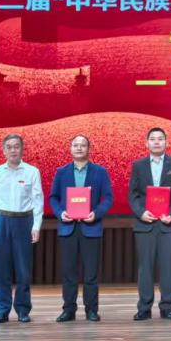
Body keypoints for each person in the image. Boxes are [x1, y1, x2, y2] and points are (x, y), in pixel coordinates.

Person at [49, 134, 114, 322]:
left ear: (88, 149)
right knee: (69, 272)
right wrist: (60, 213)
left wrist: (96, 213)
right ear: (70, 149)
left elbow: (108, 197)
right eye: (75, 145)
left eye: (83, 145)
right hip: (68, 227)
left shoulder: (100, 172)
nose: (79, 148)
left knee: (91, 273)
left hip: (91, 227)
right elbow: (53, 197)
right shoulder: (61, 172)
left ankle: (91, 310)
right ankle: (68, 310)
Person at [0, 133, 44, 324]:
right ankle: (2, 310)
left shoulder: (32, 172)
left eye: (16, 146)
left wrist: (36, 226)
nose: (13, 150)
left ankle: (23, 310)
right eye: (9, 147)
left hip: (24, 221)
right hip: (1, 221)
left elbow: (38, 201)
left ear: (22, 149)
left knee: (23, 269)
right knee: (1, 270)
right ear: (3, 150)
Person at [128, 127, 171, 321]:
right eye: (152, 139)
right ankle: (144, 308)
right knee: (145, 267)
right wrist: (141, 213)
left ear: (166, 142)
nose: (156, 142)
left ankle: (167, 307)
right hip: (145, 223)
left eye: (160, 139)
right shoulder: (138, 165)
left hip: (169, 224)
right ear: (146, 143)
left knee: (167, 266)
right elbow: (133, 194)